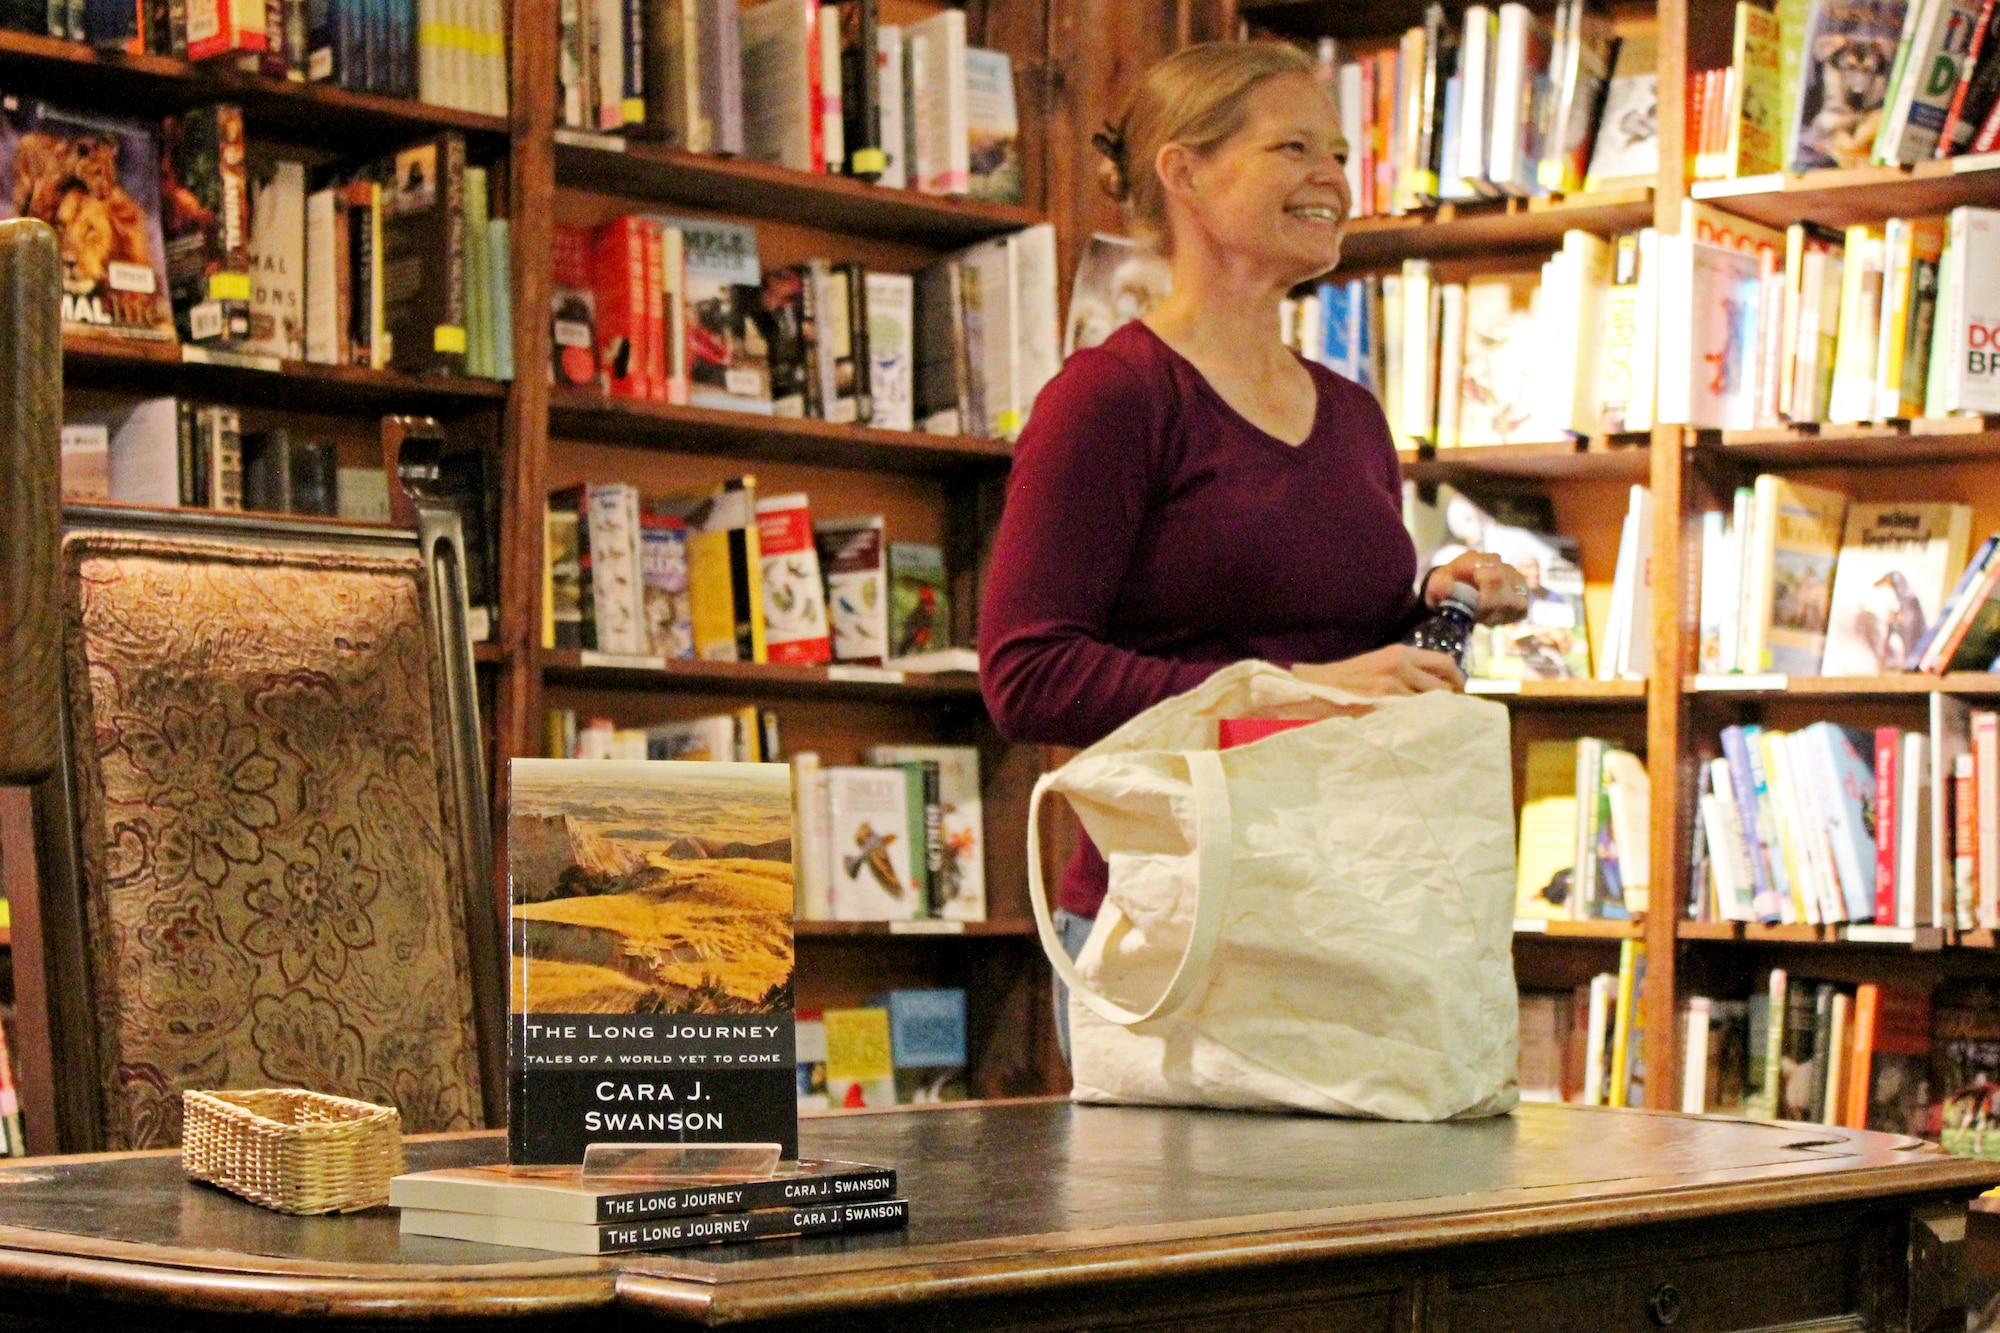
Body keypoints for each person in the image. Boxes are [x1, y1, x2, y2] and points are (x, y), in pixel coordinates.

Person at [976, 41, 1532, 1058]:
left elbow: (1340, 666)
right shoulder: (1110, 398)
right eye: (1292, 147)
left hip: (1350, 919)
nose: (1332, 177)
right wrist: (1285, 687)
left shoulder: (1354, 415)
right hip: (1169, 927)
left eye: (1336, 151)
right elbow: (1026, 673)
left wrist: (1433, 608)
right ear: (1183, 173)